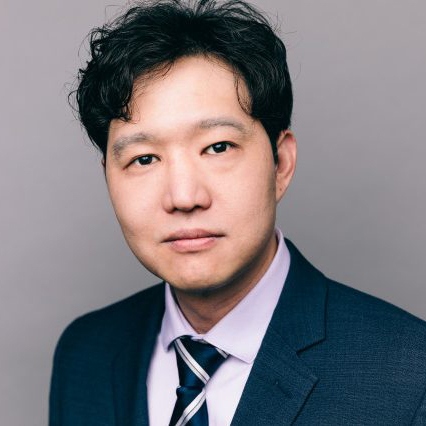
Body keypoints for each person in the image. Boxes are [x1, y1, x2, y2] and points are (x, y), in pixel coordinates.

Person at [49, 0, 426, 424]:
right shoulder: (85, 355)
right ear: (108, 176)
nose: (183, 196)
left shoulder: (409, 375)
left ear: (280, 163)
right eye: (144, 158)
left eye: (218, 147)